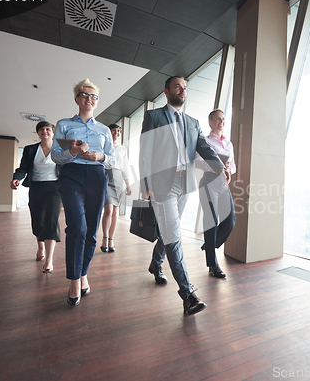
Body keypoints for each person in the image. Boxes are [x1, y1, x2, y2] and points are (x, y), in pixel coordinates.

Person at [139, 75, 230, 315]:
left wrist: (220, 167)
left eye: (185, 88)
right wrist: (145, 182)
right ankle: (187, 293)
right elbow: (145, 151)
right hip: (162, 185)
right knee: (174, 235)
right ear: (167, 91)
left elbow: (204, 147)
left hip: (184, 184)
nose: (183, 90)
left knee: (169, 231)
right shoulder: (154, 116)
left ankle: (156, 263)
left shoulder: (192, 122)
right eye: (178, 86)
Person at [51, 78, 115, 306]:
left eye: (94, 96)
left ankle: (83, 272)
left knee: (92, 231)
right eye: (85, 95)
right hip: (71, 176)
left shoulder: (104, 130)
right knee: (77, 227)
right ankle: (74, 279)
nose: (89, 99)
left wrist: (101, 156)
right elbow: (55, 156)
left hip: (97, 177)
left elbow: (112, 159)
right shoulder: (64, 124)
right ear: (77, 98)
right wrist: (73, 152)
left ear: (97, 102)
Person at [10, 121, 61, 273]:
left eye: (48, 129)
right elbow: (23, 168)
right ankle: (41, 247)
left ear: (53, 132)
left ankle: (50, 261)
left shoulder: (59, 149)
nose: (44, 131)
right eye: (41, 129)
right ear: (38, 133)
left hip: (55, 188)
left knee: (51, 220)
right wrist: (16, 178)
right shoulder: (30, 149)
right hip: (36, 187)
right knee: (38, 220)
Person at [195, 109, 236, 278]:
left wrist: (228, 170)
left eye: (223, 119)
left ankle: (209, 245)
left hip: (224, 184)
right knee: (211, 222)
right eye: (218, 119)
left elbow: (233, 165)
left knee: (230, 221)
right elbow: (197, 161)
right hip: (209, 183)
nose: (221, 122)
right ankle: (213, 265)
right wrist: (216, 166)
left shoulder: (229, 144)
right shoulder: (204, 141)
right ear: (210, 122)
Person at [100, 123, 132, 253]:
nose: (116, 133)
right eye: (113, 131)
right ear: (109, 132)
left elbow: (125, 167)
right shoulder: (103, 146)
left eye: (118, 131)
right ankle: (104, 238)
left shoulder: (122, 149)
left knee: (115, 212)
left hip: (118, 178)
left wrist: (128, 185)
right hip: (105, 176)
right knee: (108, 210)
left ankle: (111, 239)